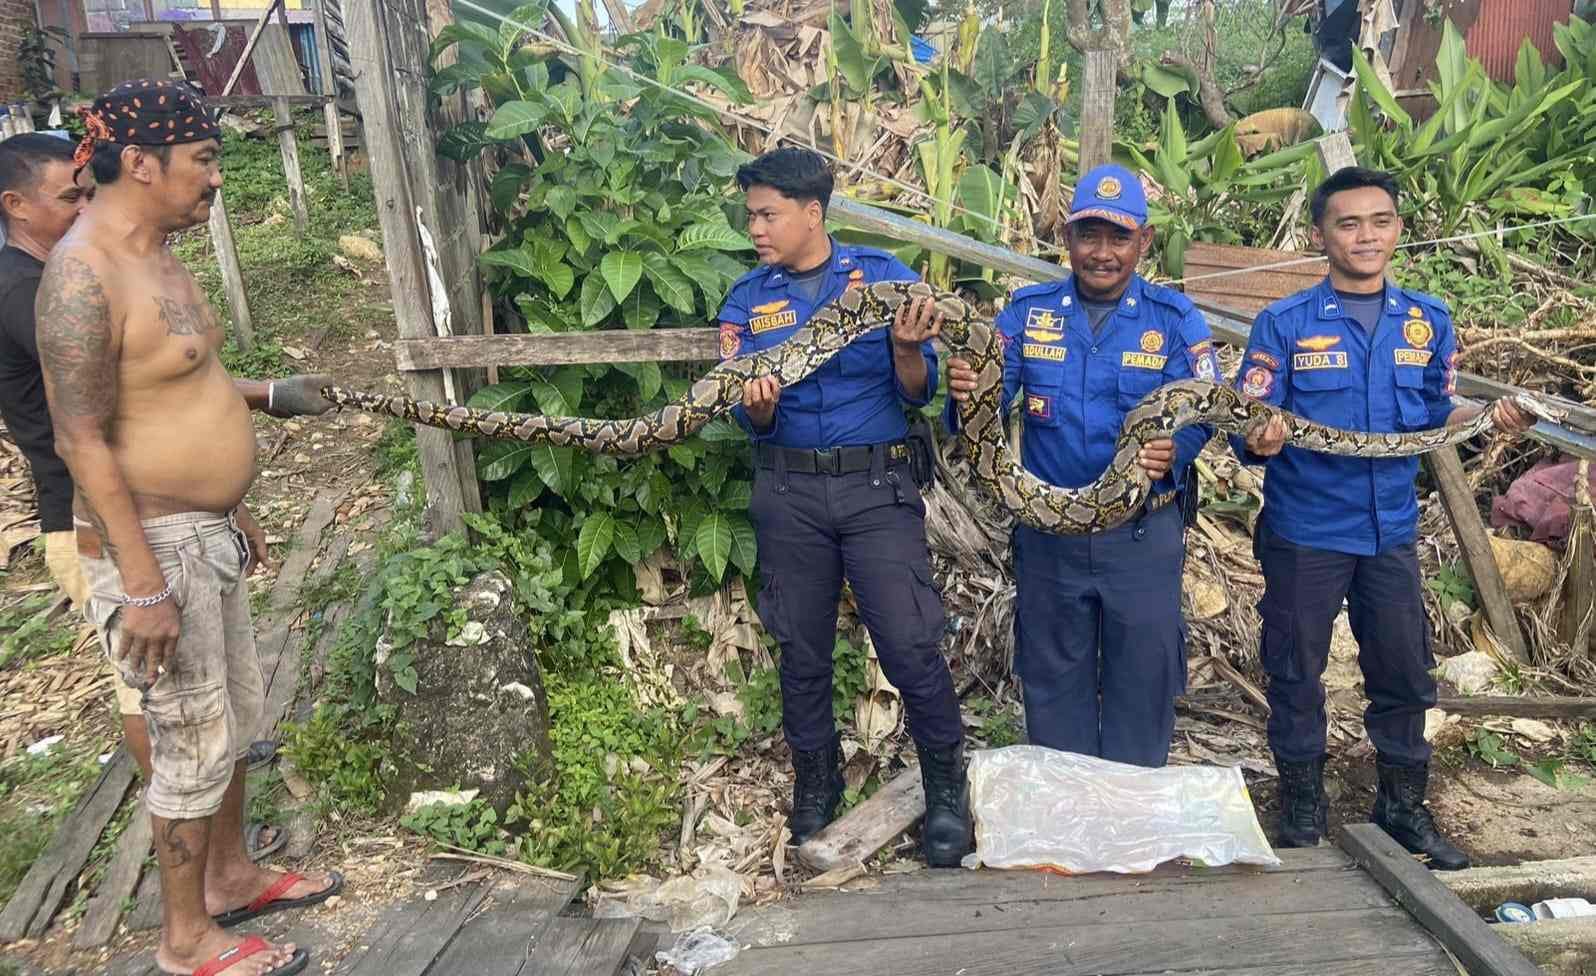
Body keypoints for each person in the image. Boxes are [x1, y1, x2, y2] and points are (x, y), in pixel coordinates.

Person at [37, 81, 339, 976]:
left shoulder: (159, 253)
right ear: (140, 163)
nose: (214, 180)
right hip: (155, 550)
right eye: (202, 160)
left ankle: (231, 878)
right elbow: (79, 438)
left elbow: (183, 386)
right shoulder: (82, 275)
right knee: (188, 741)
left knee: (235, 720)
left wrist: (244, 466)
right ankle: (185, 939)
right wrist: (141, 583)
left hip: (203, 533)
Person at [1233, 166, 1532, 869]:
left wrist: (1492, 418)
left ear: (1398, 229)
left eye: (1379, 221)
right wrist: (1257, 435)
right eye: (1348, 223)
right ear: (1321, 235)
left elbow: (1438, 410)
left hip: (1389, 531)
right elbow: (1248, 423)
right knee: (1295, 671)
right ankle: (1303, 806)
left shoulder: (1427, 320)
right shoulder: (1283, 324)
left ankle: (1402, 808)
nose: (1365, 235)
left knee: (1403, 674)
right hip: (1305, 529)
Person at [719, 147, 970, 866]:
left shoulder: (888, 283)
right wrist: (759, 411)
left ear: (812, 214)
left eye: (768, 215)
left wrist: (905, 352)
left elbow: (920, 393)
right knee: (801, 647)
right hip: (789, 489)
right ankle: (816, 786)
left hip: (876, 488)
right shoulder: (746, 302)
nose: (756, 228)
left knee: (909, 640)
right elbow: (744, 415)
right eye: (751, 215)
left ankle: (947, 788)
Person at [944, 164, 1217, 767]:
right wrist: (964, 391)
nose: (1101, 253)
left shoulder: (1176, 321)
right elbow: (985, 405)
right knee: (1053, 679)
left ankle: (1131, 827)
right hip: (1050, 539)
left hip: (1142, 538)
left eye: (1117, 237)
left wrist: (1176, 451)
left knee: (1143, 683)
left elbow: (1202, 409)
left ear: (1143, 242)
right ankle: (1065, 832)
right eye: (1087, 235)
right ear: (1065, 238)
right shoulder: (1026, 312)